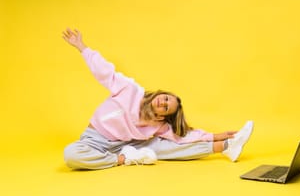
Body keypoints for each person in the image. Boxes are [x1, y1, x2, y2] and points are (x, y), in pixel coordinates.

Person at [62, 28, 253, 170]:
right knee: (71, 154)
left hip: (130, 144)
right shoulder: (129, 89)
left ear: (162, 117)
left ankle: (227, 147)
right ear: (158, 94)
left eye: (167, 107)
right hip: (97, 140)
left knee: (168, 148)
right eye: (165, 98)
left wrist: (216, 136)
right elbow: (105, 72)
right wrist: (82, 47)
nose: (163, 102)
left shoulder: (157, 125)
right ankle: (123, 159)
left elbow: (184, 136)